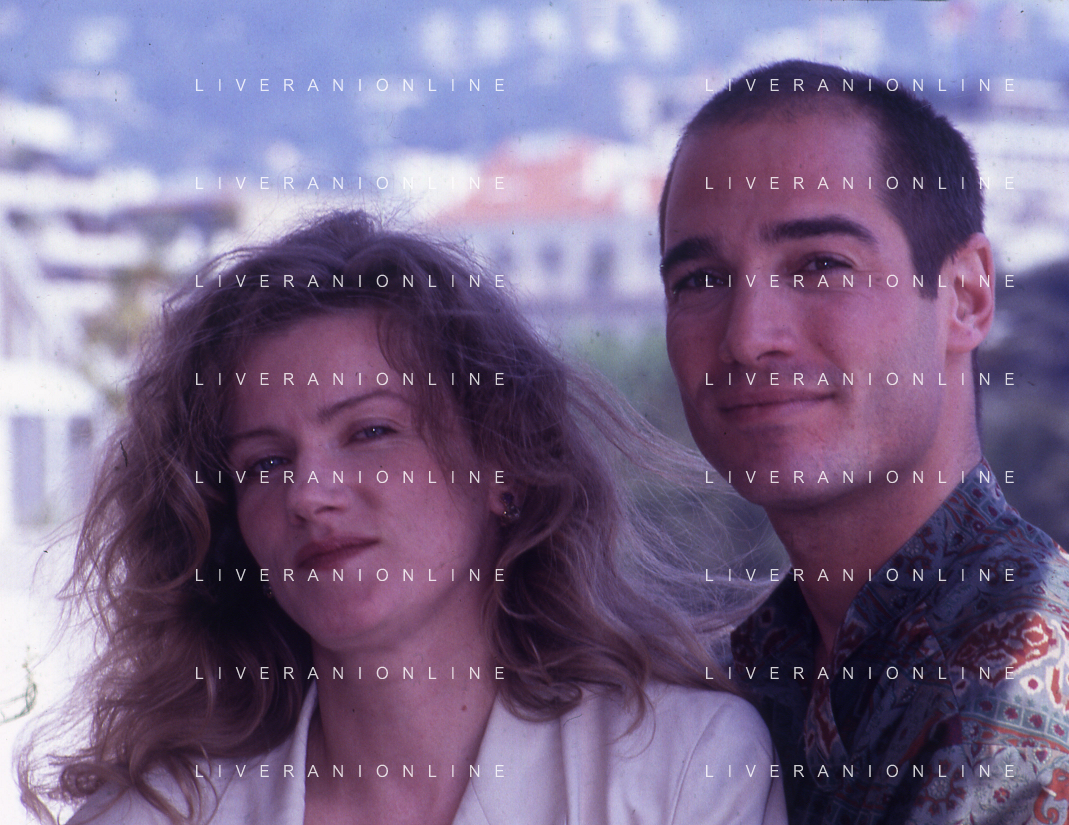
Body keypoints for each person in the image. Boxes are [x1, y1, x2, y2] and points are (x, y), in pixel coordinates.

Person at [20, 211, 786, 825]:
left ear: (503, 466)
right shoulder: (152, 815)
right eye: (265, 463)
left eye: (370, 431)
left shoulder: (683, 767)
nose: (308, 493)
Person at [657, 60, 1069, 823]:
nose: (748, 337)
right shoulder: (749, 671)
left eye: (820, 265)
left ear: (966, 295)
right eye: (700, 280)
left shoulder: (1034, 706)